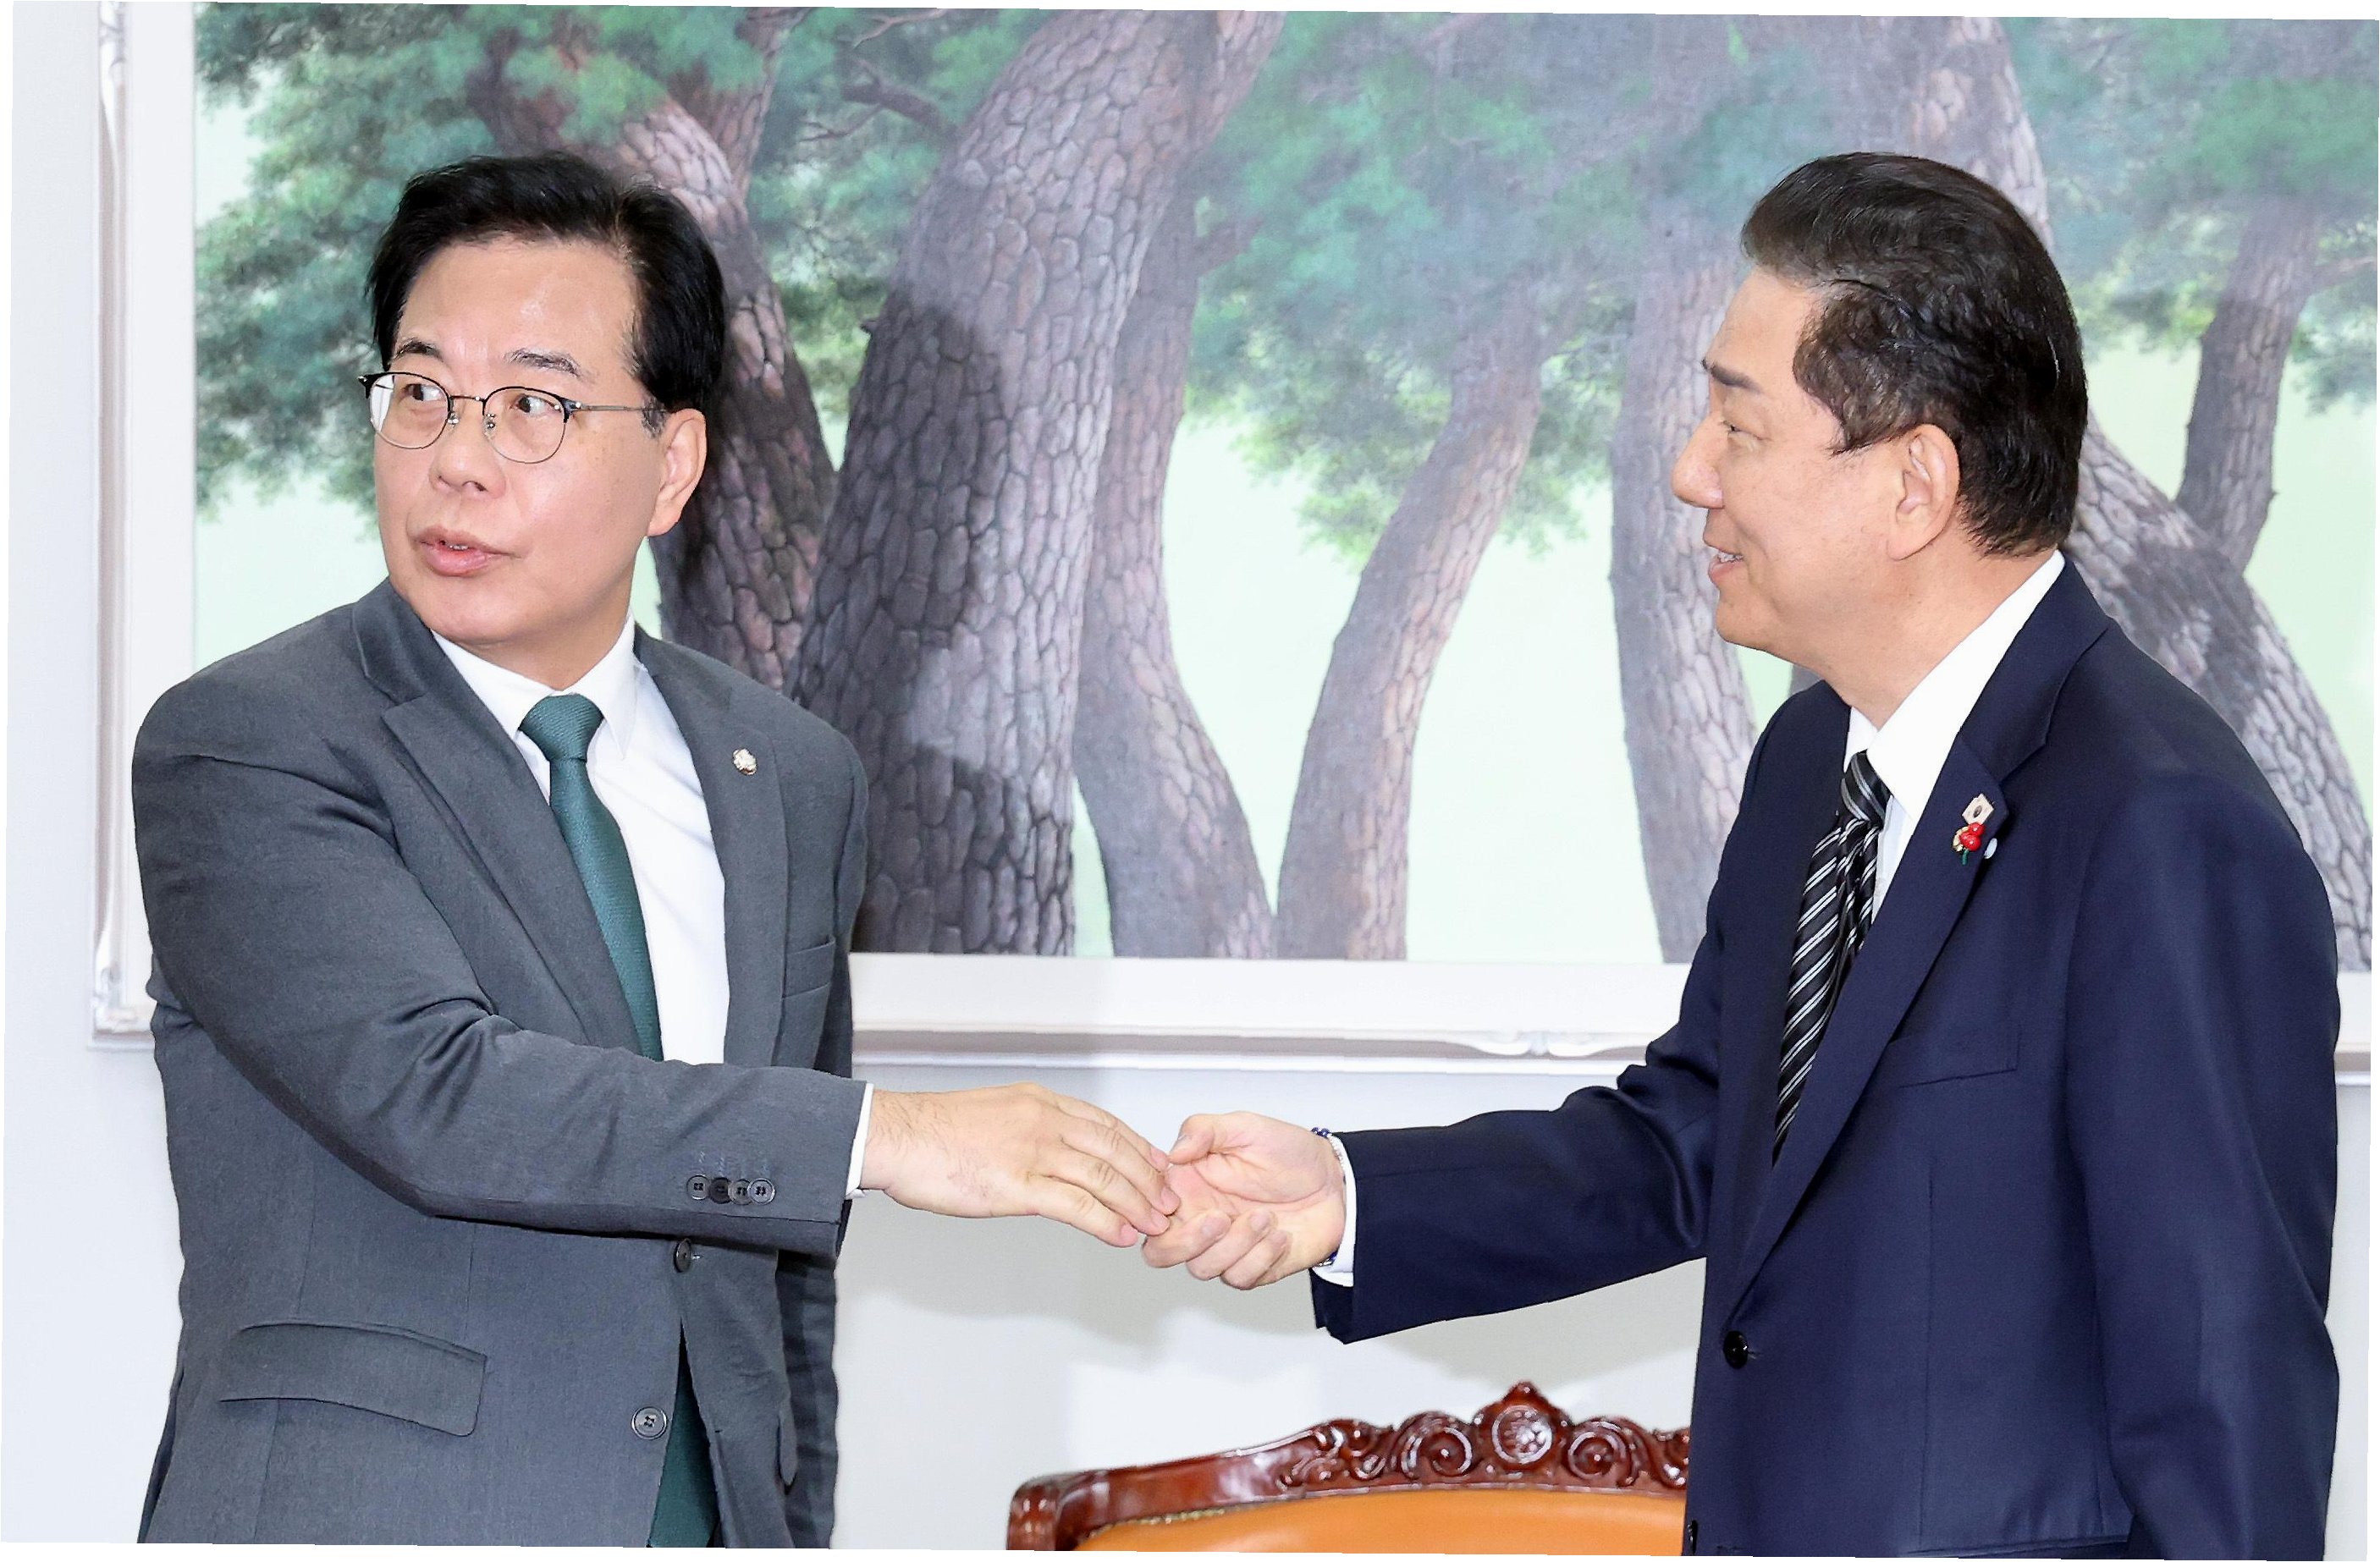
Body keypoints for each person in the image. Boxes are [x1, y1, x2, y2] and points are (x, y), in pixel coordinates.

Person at [1147, 153, 2339, 1559]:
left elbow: (2226, 1430)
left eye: (1739, 423)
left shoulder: (2163, 828)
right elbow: (1700, 1135)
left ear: (1914, 483)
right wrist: (1346, 1197)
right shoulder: (1810, 759)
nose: (1688, 470)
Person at [133, 152, 1176, 1547]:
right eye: (421, 392)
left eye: (532, 407)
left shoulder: (791, 773)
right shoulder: (249, 741)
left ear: (672, 463)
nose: (455, 459)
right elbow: (443, 1094)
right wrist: (890, 1134)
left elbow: (783, 1266)